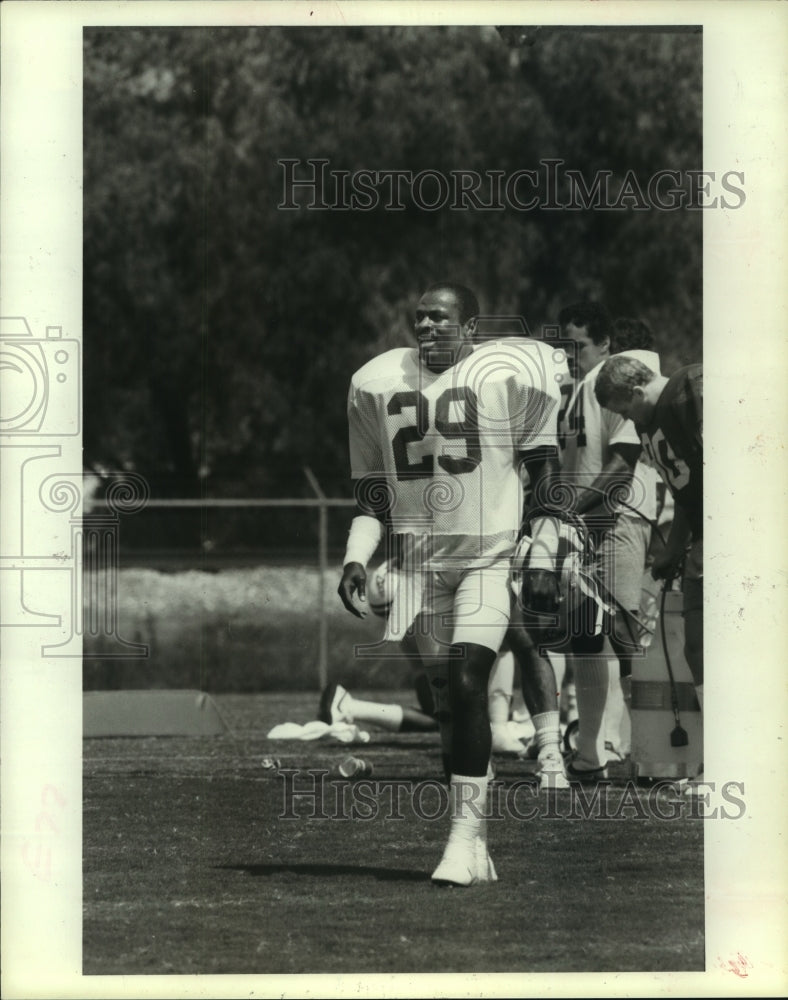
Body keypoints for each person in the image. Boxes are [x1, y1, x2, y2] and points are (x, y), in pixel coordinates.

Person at [337, 282, 568, 886]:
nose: (428, 327)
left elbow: (545, 470)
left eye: (441, 318)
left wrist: (544, 547)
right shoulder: (375, 382)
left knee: (470, 678)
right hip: (418, 566)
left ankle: (460, 840)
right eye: (420, 318)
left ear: (470, 327)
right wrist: (356, 558)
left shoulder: (511, 374)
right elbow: (371, 496)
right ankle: (476, 843)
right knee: (447, 703)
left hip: (487, 559)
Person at [555, 303, 660, 781]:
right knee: (584, 638)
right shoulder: (578, 391)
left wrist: (573, 509)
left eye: (577, 345)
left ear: (605, 344)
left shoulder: (612, 382)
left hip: (616, 519)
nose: (570, 354)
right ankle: (590, 756)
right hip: (582, 525)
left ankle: (649, 752)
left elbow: (622, 462)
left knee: (623, 636)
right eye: (566, 344)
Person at [594, 357, 703, 781]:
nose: (624, 418)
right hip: (701, 539)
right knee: (696, 648)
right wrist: (672, 550)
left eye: (623, 409)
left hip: (732, 536)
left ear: (636, 393)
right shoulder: (650, 422)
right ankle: (713, 761)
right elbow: (686, 493)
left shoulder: (689, 390)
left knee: (710, 649)